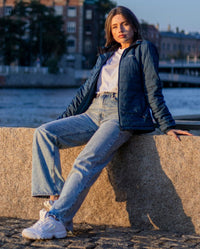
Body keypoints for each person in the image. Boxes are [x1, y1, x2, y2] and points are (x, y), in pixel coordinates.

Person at [22, 6, 192, 240]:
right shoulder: (105, 55)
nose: (120, 30)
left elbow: (153, 89)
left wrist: (167, 124)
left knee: (87, 160)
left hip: (120, 116)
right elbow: (83, 94)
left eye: (124, 24)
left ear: (133, 25)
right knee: (44, 133)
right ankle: (55, 203)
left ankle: (57, 220)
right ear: (109, 31)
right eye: (114, 26)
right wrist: (62, 121)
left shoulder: (144, 49)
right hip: (93, 112)